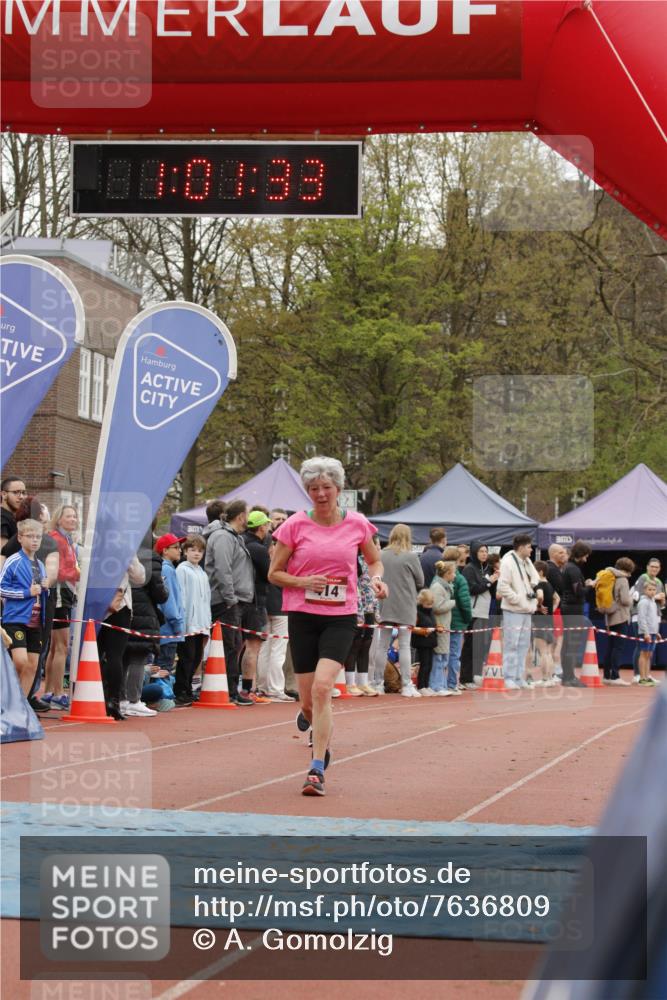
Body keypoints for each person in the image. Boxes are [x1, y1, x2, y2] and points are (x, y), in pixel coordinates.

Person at [268, 456, 387, 798]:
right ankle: (310, 720)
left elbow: (375, 560)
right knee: (309, 702)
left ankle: (317, 767)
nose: (321, 494)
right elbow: (274, 573)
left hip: (341, 616)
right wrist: (304, 581)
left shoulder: (358, 523)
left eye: (327, 488)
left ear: (339, 489)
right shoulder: (293, 526)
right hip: (303, 615)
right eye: (314, 489)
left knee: (323, 689)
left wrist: (377, 580)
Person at [2, 497, 59, 708]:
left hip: (36, 621)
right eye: (30, 537)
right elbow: (1, 588)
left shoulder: (41, 565)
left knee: (33, 665)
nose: (35, 541)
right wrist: (26, 593)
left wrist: (45, 588)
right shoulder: (13, 561)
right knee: (20, 661)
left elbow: (43, 589)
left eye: (38, 537)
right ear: (21, 537)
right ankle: (7, 696)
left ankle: (20, 706)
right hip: (16, 618)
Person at [203, 498, 258, 707]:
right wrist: (230, 599)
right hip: (226, 600)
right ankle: (227, 690)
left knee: (234, 645)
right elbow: (222, 568)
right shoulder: (223, 537)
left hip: (235, 598)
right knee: (229, 645)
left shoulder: (234, 537)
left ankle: (230, 689)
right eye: (248, 512)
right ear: (241, 516)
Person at [373, 523, 424, 699]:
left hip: (385, 603)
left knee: (382, 646)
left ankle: (377, 683)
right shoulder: (411, 556)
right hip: (405, 605)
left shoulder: (380, 555)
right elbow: (421, 581)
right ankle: (406, 684)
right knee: (404, 646)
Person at [121, 531, 167, 716]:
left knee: (123, 655)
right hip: (143, 611)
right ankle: (133, 699)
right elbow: (158, 590)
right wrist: (164, 589)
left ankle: (122, 698)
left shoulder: (122, 551)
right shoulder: (150, 558)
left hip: (125, 607)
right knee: (138, 656)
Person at [97, 556, 145, 720]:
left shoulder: (92, 543)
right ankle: (113, 702)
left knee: (93, 653)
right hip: (119, 606)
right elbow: (140, 576)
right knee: (114, 655)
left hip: (92, 602)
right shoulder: (124, 546)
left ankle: (93, 698)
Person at [43, 504, 80, 709]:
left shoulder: (66, 539)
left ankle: (49, 691)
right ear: (59, 519)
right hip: (59, 593)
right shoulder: (58, 539)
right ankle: (58, 693)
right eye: (69, 516)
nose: (73, 519)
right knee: (61, 647)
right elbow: (59, 571)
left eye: (75, 516)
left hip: (63, 593)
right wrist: (79, 574)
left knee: (55, 647)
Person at [497, 534, 541, 690]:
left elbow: (535, 578)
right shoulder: (508, 562)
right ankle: (509, 677)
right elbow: (502, 587)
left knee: (523, 645)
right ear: (521, 547)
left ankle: (518, 677)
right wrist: (517, 599)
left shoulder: (526, 562)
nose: (531, 550)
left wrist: (533, 590)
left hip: (527, 609)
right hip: (513, 610)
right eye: (529, 547)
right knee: (511, 644)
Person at [241, 510, 274, 703]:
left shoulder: (240, 541)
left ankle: (238, 687)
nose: (269, 528)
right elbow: (271, 574)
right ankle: (247, 690)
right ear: (261, 527)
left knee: (240, 646)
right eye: (267, 525)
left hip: (242, 600)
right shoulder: (259, 549)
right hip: (256, 602)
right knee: (253, 646)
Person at [175, 535, 211, 703]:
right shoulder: (182, 569)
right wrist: (183, 620)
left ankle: (188, 687)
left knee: (196, 657)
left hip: (201, 622)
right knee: (187, 656)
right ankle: (181, 689)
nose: (196, 554)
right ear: (185, 551)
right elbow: (181, 595)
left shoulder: (202, 572)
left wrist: (207, 622)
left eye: (199, 551)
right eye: (192, 550)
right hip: (189, 621)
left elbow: (206, 599)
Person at [461, 540, 498, 687]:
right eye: (481, 551)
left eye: (486, 551)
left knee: (479, 646)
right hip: (473, 611)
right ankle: (465, 678)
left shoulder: (488, 569)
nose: (484, 554)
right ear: (475, 553)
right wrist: (489, 582)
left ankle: (476, 675)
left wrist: (495, 581)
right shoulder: (470, 569)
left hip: (484, 611)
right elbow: (472, 589)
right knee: (470, 645)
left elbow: (492, 593)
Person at [344, 554, 379, 697]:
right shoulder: (354, 557)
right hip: (356, 604)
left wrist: (375, 610)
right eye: (375, 545)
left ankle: (363, 682)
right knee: (355, 643)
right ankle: (350, 683)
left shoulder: (373, 563)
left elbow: (373, 586)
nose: (376, 549)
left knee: (366, 644)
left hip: (369, 604)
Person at [559, 540, 592, 688]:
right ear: (580, 555)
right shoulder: (574, 569)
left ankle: (567, 676)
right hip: (573, 609)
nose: (586, 559)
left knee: (568, 644)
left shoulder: (568, 567)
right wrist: (590, 585)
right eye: (585, 556)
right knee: (571, 644)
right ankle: (569, 677)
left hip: (568, 608)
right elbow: (578, 591)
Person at [440, 545, 472, 693]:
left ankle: (439, 683)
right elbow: (465, 602)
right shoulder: (459, 578)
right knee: (454, 654)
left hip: (441, 620)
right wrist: (467, 619)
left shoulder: (438, 577)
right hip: (457, 621)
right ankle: (452, 683)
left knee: (440, 654)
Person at [598, 557, 634, 686]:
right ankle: (615, 676)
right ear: (628, 569)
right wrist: (632, 598)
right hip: (620, 617)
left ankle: (607, 675)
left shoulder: (608, 576)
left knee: (610, 647)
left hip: (609, 616)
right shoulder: (623, 579)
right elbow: (624, 600)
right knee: (618, 648)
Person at [155, 533, 185, 673]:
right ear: (165, 550)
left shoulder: (166, 568)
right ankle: (163, 695)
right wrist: (178, 624)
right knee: (164, 670)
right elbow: (169, 600)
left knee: (160, 668)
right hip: (168, 630)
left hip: (165, 629)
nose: (180, 550)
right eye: (176, 547)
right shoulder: (167, 569)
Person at [631, 558, 664, 683]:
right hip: (640, 617)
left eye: (657, 567)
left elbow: (659, 604)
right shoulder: (643, 578)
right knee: (641, 648)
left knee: (650, 651)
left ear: (660, 569)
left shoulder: (659, 582)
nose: (654, 569)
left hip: (654, 619)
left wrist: (662, 601)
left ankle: (647, 675)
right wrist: (656, 596)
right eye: (652, 566)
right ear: (647, 567)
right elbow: (637, 597)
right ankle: (637, 675)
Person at [429, 560, 457, 695]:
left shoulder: (445, 587)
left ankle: (442, 684)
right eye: (454, 573)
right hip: (439, 626)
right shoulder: (438, 587)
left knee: (443, 657)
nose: (455, 576)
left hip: (444, 626)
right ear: (447, 574)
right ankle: (436, 685)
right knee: (438, 657)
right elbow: (437, 607)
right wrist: (452, 602)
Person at [532, 561, 558, 686]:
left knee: (542, 652)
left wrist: (538, 606)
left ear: (540, 572)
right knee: (547, 652)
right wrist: (551, 609)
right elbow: (557, 598)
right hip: (549, 620)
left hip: (540, 620)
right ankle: (550, 678)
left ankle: (545, 679)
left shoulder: (538, 584)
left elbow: (540, 596)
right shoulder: (549, 584)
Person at [411, 588, 438, 694]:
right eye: (427, 604)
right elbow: (413, 628)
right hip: (421, 642)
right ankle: (421, 686)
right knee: (424, 664)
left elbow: (433, 624)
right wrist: (424, 631)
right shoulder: (417, 613)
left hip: (430, 642)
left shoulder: (431, 613)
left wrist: (438, 627)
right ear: (421, 602)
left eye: (431, 604)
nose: (430, 606)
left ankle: (426, 685)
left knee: (430, 664)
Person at [636, 581, 661, 686]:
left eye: (653, 590)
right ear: (644, 590)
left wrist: (657, 632)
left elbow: (654, 619)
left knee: (649, 655)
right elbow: (642, 619)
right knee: (644, 653)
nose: (652, 592)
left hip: (653, 632)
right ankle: (642, 679)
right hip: (645, 633)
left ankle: (647, 677)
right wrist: (646, 633)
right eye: (649, 589)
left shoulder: (653, 602)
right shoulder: (643, 602)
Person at [0, 476, 27, 549]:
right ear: (4, 494)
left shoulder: (15, 517)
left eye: (23, 492)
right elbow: (3, 552)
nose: (21, 496)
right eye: (16, 492)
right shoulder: (2, 518)